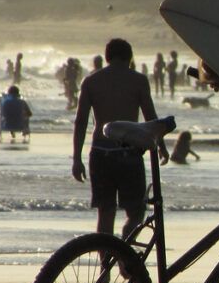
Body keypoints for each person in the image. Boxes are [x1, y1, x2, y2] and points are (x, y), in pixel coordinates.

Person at [72, 39, 169, 243]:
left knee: (105, 213)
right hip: (129, 152)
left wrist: (77, 159)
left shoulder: (91, 81)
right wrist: (161, 145)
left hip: (100, 151)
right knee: (136, 212)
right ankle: (126, 246)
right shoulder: (138, 80)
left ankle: (105, 268)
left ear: (107, 57)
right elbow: (151, 116)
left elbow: (80, 122)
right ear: (130, 57)